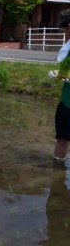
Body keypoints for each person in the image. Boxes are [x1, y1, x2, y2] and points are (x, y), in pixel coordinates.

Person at [48, 16, 70, 161]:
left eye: (65, 29)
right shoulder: (68, 47)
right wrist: (57, 74)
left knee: (62, 139)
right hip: (66, 100)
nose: (65, 33)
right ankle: (57, 171)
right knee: (62, 138)